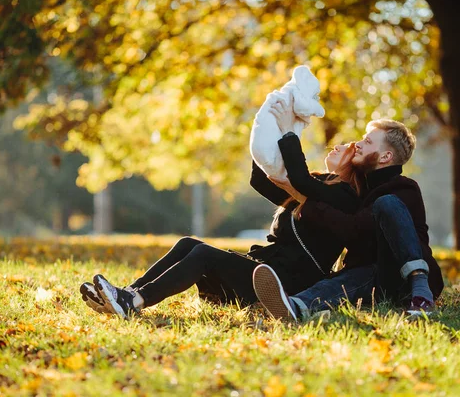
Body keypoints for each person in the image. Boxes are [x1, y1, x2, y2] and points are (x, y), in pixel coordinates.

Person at [80, 99, 363, 319]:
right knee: (187, 243)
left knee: (204, 253)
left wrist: (289, 127)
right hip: (263, 268)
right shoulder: (317, 185)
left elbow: (299, 178)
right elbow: (260, 180)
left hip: (281, 283)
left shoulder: (344, 195)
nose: (338, 145)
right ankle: (125, 295)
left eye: (351, 148)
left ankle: (134, 302)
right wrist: (265, 129)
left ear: (356, 167)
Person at [252, 118, 444, 320]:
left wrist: (308, 204)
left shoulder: (404, 188)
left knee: (387, 203)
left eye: (368, 142)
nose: (358, 144)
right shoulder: (359, 191)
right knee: (351, 276)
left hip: (406, 279)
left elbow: (352, 229)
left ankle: (420, 288)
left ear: (386, 156)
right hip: (377, 280)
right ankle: (296, 306)